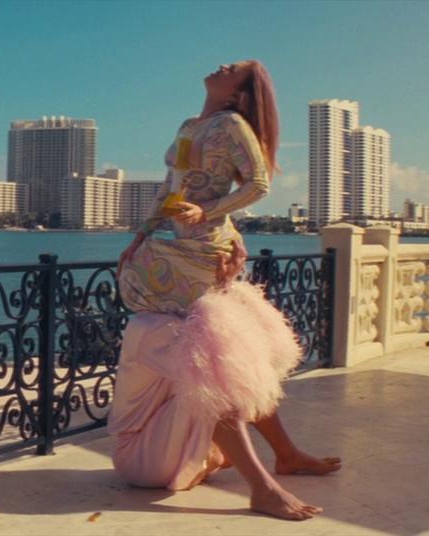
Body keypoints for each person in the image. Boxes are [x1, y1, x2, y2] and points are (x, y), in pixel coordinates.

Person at [109, 60, 340, 521]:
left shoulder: (232, 124)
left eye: (232, 69)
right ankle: (286, 455)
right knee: (216, 356)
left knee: (210, 361)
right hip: (167, 245)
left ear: (239, 93)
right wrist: (139, 236)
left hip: (201, 247)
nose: (220, 65)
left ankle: (266, 482)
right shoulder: (190, 124)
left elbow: (258, 184)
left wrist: (210, 211)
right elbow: (169, 186)